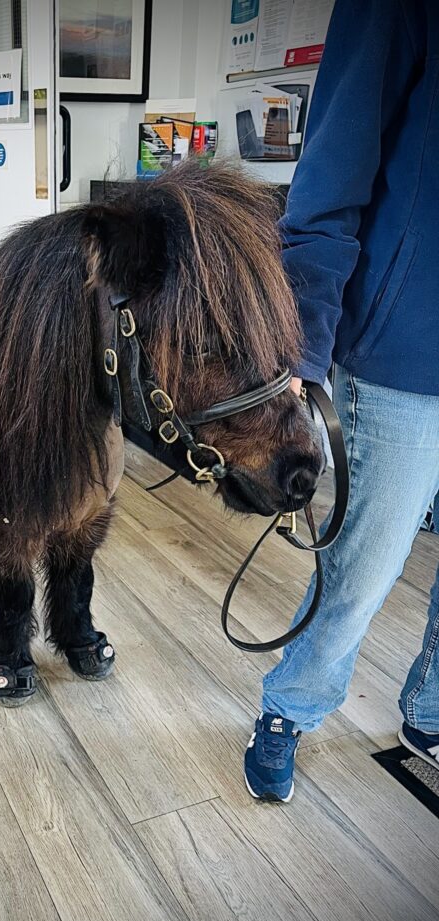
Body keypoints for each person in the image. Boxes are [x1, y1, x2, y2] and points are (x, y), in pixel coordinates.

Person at [244, 0, 439, 802]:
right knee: (362, 569)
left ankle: (430, 710)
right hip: (403, 359)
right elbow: (327, 187)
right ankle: (291, 706)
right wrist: (307, 347)